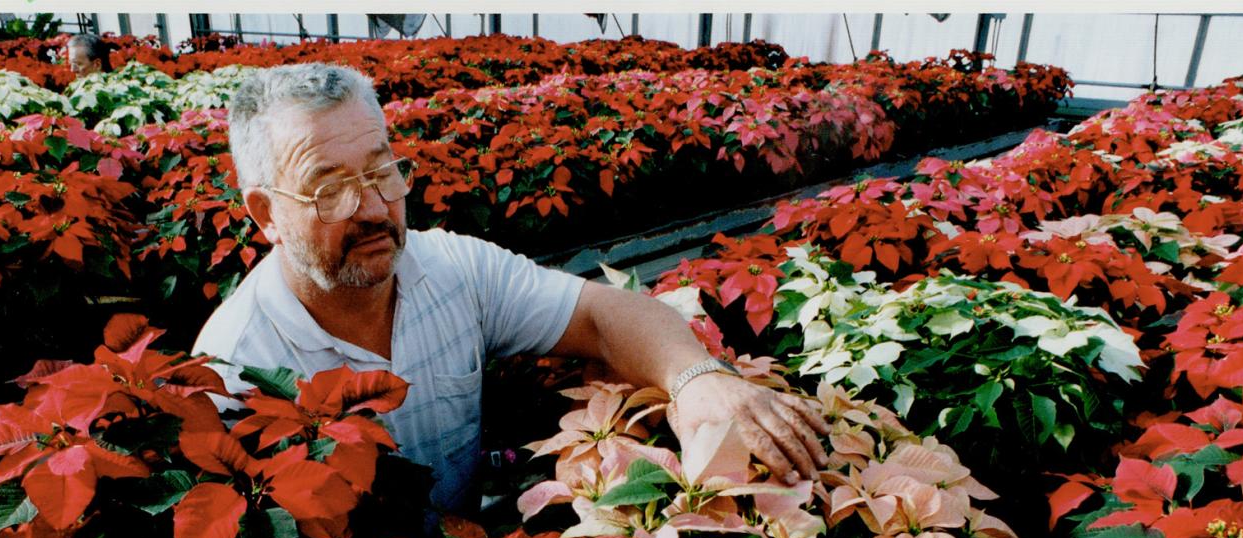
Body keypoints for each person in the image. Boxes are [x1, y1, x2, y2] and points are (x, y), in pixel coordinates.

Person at [194, 63, 830, 515]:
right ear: (265, 214)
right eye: (329, 188)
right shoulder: (233, 364)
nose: (372, 206)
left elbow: (605, 314)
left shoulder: (454, 270)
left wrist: (698, 382)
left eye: (382, 169)